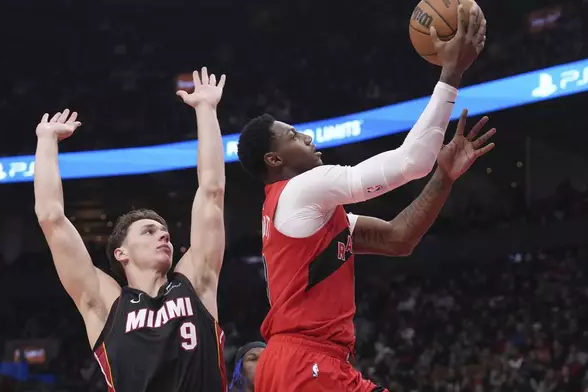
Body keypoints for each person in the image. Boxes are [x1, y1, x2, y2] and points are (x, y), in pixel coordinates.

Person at [236, 5, 490, 391]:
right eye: (292, 136)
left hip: (304, 362)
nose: (307, 138)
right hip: (306, 363)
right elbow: (410, 162)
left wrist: (444, 176)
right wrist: (451, 74)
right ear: (274, 160)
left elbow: (398, 238)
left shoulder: (308, 215)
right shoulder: (303, 189)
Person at [34, 67, 228, 391]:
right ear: (121, 252)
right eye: (149, 232)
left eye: (163, 230)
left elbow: (212, 192)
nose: (163, 235)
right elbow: (51, 218)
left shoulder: (197, 281)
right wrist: (46, 141)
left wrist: (206, 110)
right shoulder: (105, 303)